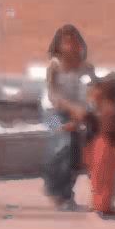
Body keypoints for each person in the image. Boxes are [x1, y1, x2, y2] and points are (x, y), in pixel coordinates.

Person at [39, 24, 93, 211]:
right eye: (65, 41)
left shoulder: (85, 67)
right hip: (52, 112)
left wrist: (79, 117)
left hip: (77, 114)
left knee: (79, 148)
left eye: (73, 40)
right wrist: (73, 110)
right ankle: (57, 190)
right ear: (59, 44)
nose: (69, 44)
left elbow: (91, 93)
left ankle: (65, 191)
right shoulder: (54, 65)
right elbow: (53, 97)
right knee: (63, 142)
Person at [83, 73, 115, 220]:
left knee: (96, 178)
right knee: (107, 179)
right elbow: (113, 130)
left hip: (92, 145)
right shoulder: (111, 108)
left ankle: (96, 204)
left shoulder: (96, 104)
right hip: (106, 145)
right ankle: (104, 207)